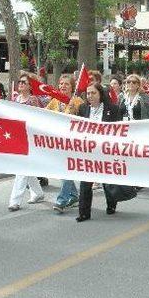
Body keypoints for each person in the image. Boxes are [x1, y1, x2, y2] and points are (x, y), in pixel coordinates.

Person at [75, 83, 122, 222]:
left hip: (105, 151)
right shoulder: (83, 108)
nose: (90, 96)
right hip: (88, 151)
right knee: (85, 181)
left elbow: (118, 130)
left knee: (107, 180)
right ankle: (84, 212)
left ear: (100, 94)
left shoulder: (112, 109)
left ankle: (111, 204)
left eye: (93, 93)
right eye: (88, 93)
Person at [46, 75, 85, 213]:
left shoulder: (78, 101)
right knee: (64, 169)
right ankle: (74, 195)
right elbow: (44, 114)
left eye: (66, 84)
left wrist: (76, 112)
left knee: (66, 169)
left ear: (72, 86)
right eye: (61, 83)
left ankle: (61, 201)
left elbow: (86, 120)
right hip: (58, 141)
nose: (63, 86)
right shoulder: (55, 101)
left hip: (73, 141)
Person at [8, 73, 44, 211]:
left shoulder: (34, 100)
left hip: (31, 138)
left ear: (30, 86)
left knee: (21, 168)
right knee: (26, 167)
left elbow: (41, 117)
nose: (21, 84)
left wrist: (37, 107)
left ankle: (14, 201)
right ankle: (38, 193)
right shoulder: (15, 99)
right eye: (19, 82)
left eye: (24, 82)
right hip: (18, 137)